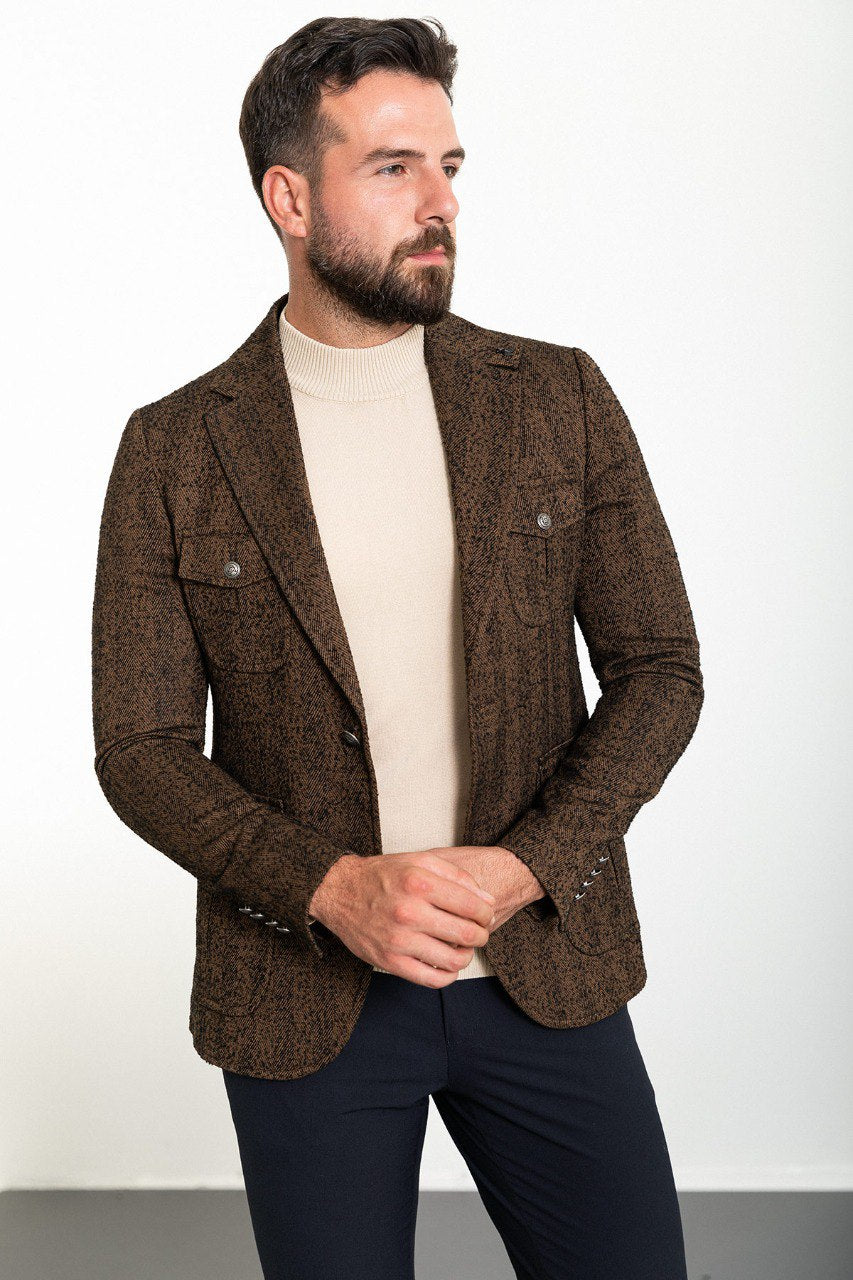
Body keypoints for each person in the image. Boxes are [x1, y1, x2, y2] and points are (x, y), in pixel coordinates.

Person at [91, 17, 705, 1279]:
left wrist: (527, 865)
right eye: (392, 168)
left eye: (449, 165)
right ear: (289, 198)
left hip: (546, 966)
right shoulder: (174, 448)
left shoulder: (558, 397)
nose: (441, 204)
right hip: (302, 995)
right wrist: (330, 886)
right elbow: (140, 747)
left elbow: (659, 667)